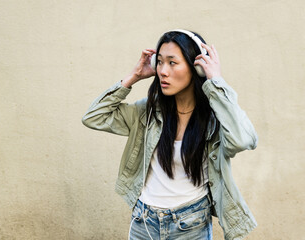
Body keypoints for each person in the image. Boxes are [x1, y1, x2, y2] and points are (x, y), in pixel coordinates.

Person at [82, 29, 258, 240]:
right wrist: (134, 76)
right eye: (160, 62)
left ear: (197, 68)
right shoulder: (146, 112)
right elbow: (94, 116)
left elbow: (243, 139)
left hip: (191, 224)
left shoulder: (215, 118)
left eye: (172, 63)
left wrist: (216, 81)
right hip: (143, 222)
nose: (163, 71)